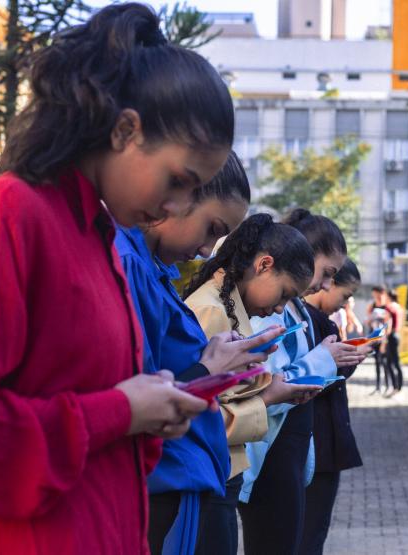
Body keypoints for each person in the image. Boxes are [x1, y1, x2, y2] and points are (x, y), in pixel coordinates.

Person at [0, 5, 261, 553]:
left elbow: (89, 412)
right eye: (179, 181)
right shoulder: (13, 215)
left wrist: (149, 414)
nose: (177, 206)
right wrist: (120, 411)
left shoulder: (100, 238)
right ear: (125, 129)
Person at [117, 153, 290, 554]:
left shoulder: (150, 267)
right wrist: (209, 368)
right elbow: (132, 400)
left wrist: (214, 362)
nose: (205, 249)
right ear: (175, 195)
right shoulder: (127, 263)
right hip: (156, 482)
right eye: (212, 229)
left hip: (178, 480)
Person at [184, 213, 323, 555]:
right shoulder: (210, 311)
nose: (279, 308)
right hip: (208, 479)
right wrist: (268, 398)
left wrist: (268, 387)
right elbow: (196, 420)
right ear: (263, 264)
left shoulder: (228, 307)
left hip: (221, 475)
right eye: (284, 294)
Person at [241, 209, 366, 555]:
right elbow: (266, 385)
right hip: (270, 458)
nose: (327, 286)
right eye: (326, 273)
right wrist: (324, 360)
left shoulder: (294, 309)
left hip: (291, 456)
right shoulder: (270, 309)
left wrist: (331, 363)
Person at [300, 259, 366, 554]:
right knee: (308, 535)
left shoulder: (308, 317)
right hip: (316, 446)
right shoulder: (307, 320)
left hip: (317, 446)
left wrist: (345, 359)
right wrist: (344, 361)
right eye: (345, 295)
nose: (344, 304)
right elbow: (315, 379)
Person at [366, 286, 395, 395]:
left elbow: (389, 325)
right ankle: (378, 387)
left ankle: (388, 386)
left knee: (385, 363)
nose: (374, 296)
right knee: (377, 363)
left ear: (381, 293)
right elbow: (368, 321)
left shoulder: (387, 306)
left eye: (375, 293)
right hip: (374, 339)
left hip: (384, 339)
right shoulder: (372, 306)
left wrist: (385, 340)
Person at [383, 289, 405, 395]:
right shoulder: (399, 307)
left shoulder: (389, 307)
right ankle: (399, 385)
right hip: (397, 335)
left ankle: (396, 387)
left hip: (391, 336)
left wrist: (384, 340)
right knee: (395, 362)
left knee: (390, 363)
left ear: (388, 296)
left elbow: (389, 324)